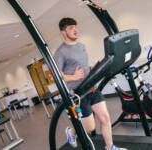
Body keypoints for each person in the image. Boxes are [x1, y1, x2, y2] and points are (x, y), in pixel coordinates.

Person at [54, 17, 127, 150]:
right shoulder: (60, 52)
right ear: (63, 32)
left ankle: (110, 147)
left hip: (92, 88)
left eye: (75, 27)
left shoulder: (82, 46)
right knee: (90, 127)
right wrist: (73, 76)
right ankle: (71, 132)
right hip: (78, 94)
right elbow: (56, 77)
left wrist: (91, 69)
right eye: (71, 28)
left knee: (105, 118)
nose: (75, 30)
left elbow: (81, 66)